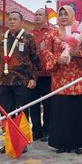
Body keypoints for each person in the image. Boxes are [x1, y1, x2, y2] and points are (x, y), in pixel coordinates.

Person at [42, 5, 82, 155]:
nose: (63, 16)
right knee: (61, 112)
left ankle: (79, 143)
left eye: (66, 14)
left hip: (78, 78)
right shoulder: (52, 34)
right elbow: (46, 52)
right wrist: (57, 59)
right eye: (61, 14)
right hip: (60, 79)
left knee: (77, 111)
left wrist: (78, 54)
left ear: (72, 15)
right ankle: (61, 143)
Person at [0, 11, 41, 154]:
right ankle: (9, 141)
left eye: (15, 19)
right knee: (7, 113)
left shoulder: (28, 38)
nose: (12, 22)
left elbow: (36, 60)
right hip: (5, 82)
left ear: (21, 22)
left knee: (21, 112)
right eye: (10, 19)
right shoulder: (2, 38)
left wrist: (34, 78)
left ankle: (22, 142)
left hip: (23, 81)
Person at [29, 8, 57, 142]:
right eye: (36, 14)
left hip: (48, 75)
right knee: (33, 104)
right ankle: (36, 131)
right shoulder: (29, 34)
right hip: (33, 75)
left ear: (46, 18)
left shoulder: (52, 33)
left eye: (40, 15)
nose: (37, 17)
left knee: (48, 105)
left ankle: (47, 130)